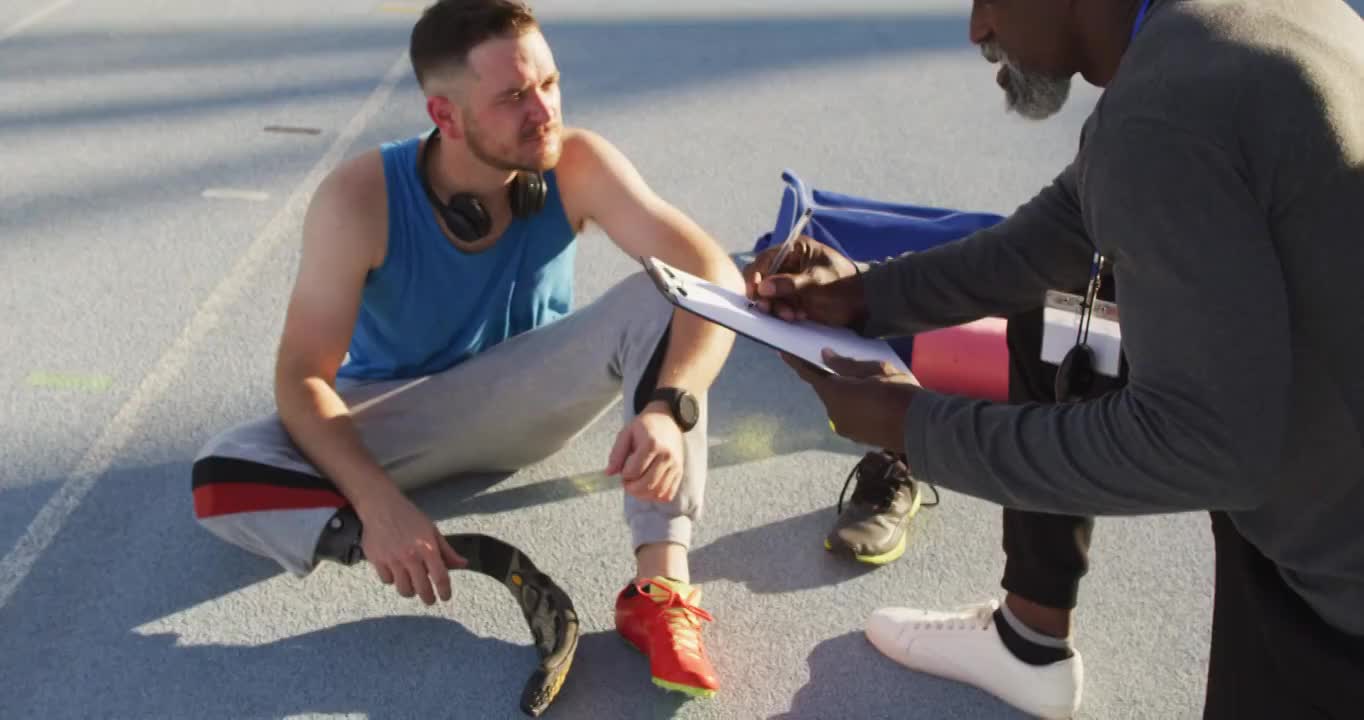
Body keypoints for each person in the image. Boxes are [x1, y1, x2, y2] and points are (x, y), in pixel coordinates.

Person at [747, 0, 1364, 717]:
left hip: (1337, 604)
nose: (978, 28)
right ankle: (1027, 642)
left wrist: (910, 425)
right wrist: (865, 296)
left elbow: (1204, 448)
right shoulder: (1234, 25)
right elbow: (1057, 239)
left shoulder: (1161, 116)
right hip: (1327, 462)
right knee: (1059, 317)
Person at [190, 0, 743, 699]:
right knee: (221, 470)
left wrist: (670, 405)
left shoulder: (577, 163)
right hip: (404, 416)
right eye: (513, 96)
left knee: (665, 294)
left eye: (549, 84)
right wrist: (378, 504)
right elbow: (302, 375)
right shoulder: (359, 198)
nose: (544, 111)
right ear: (445, 117)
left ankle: (660, 591)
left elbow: (716, 277)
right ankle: (424, 545)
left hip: (529, 397)